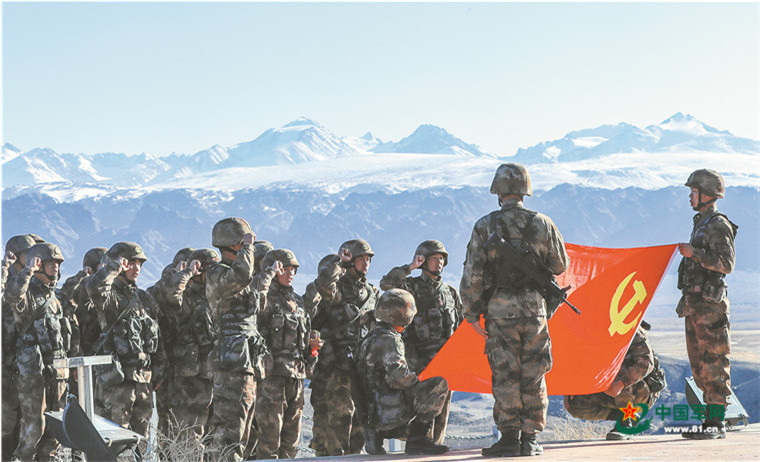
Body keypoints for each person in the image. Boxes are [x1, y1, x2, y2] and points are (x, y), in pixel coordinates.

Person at [460, 163, 569, 457]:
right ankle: (530, 439)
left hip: (500, 312)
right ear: (525, 190)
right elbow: (560, 265)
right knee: (534, 373)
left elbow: (473, 274)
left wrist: (471, 313)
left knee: (506, 374)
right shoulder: (543, 223)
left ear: (498, 191)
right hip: (535, 312)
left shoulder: (485, 226)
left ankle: (509, 439)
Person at [379, 239, 462, 444]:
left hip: (446, 360)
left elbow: (460, 325)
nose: (439, 262)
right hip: (419, 361)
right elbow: (386, 284)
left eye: (442, 258)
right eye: (434, 258)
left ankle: (436, 447)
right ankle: (419, 445)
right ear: (423, 260)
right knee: (422, 408)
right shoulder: (411, 287)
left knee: (442, 409)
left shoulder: (450, 292)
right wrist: (410, 266)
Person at [677, 169, 737, 440]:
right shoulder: (701, 222)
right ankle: (709, 421)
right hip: (696, 306)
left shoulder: (718, 224)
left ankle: (716, 423)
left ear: (708, 194)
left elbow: (726, 263)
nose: (690, 196)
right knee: (700, 364)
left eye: (694, 191)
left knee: (714, 362)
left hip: (711, 308)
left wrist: (696, 254)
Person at [206, 217, 270, 460]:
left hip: (246, 365)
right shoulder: (218, 274)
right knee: (230, 435)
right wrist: (249, 247)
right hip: (231, 367)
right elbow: (243, 274)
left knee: (246, 435)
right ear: (231, 244)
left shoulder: (236, 277)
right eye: (242, 242)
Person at [357, 288, 450, 455]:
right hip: (389, 412)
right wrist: (418, 383)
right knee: (439, 385)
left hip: (372, 412)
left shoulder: (369, 339)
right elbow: (399, 377)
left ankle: (376, 435)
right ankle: (418, 439)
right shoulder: (390, 339)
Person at [87, 242, 164, 437]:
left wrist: (159, 369)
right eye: (131, 263)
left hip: (143, 380)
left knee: (141, 439)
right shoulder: (109, 297)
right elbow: (95, 287)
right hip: (116, 382)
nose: (136, 268)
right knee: (114, 439)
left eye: (139, 264)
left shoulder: (144, 298)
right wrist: (113, 267)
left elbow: (157, 336)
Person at [311, 239, 379, 455]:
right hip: (338, 366)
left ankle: (354, 456)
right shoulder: (338, 288)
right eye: (361, 259)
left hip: (362, 365)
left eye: (368, 259)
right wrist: (339, 261)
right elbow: (323, 284)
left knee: (360, 420)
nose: (366, 263)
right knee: (339, 419)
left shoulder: (371, 292)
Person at [5, 242, 70, 461]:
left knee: (55, 433)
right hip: (34, 374)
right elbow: (12, 295)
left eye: (58, 263)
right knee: (33, 430)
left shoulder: (55, 298)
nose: (56, 267)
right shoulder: (27, 293)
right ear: (39, 264)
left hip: (57, 373)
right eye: (50, 263)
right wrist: (27, 271)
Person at [254, 249, 321, 459]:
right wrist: (268, 274)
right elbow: (256, 301)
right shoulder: (266, 299)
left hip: (296, 379)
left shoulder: (298, 302)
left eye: (293, 269)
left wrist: (313, 349)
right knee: (269, 442)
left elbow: (302, 342)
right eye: (285, 268)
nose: (290, 273)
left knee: (291, 443)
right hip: (272, 380)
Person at [564, 322, 667, 440]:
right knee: (575, 403)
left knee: (615, 373)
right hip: (610, 386)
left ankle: (625, 425)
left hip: (641, 390)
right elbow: (580, 360)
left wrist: (622, 383)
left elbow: (646, 364)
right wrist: (572, 386)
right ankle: (626, 416)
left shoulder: (631, 327)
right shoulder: (590, 328)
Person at [160, 248, 219, 441]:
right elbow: (171, 294)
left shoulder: (215, 298)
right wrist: (188, 272)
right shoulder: (186, 298)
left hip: (215, 373)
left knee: (213, 435)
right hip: (192, 377)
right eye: (209, 270)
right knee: (191, 433)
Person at [147, 247, 195, 434]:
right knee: (168, 419)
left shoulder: (194, 293)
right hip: (168, 365)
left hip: (186, 365)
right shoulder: (161, 291)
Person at [2, 234, 37, 460]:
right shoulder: (6, 280)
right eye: (27, 254)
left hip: (22, 362)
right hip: (4, 362)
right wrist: (4, 267)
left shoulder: (30, 282)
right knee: (6, 422)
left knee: (23, 420)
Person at [305, 253, 343, 456]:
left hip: (344, 370)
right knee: (322, 427)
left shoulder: (352, 295)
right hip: (323, 371)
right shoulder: (318, 296)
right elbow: (324, 287)